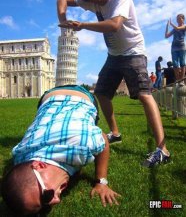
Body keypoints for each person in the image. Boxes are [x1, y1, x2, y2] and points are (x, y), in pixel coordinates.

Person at [57, 0, 170, 167]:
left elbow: (115, 25)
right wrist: (62, 19)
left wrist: (83, 25)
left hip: (133, 52)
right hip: (114, 55)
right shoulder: (91, 0)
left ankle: (163, 150)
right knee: (101, 93)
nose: (93, 2)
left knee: (144, 95)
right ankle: (115, 133)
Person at [1, 85, 120, 216]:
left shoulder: (81, 146)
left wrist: (101, 181)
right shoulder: (20, 157)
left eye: (47, 196)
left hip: (82, 97)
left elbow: (103, 139)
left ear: (40, 165)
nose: (56, 200)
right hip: (46, 100)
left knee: (89, 124)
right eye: (45, 205)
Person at [165, 15, 186, 86]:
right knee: (175, 64)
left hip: (182, 47)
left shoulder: (185, 26)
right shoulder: (174, 29)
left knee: (182, 63)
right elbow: (166, 36)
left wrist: (171, 24)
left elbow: (178, 28)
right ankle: (178, 80)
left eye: (179, 19)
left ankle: (182, 80)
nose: (178, 20)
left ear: (183, 19)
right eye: (177, 19)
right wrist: (167, 26)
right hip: (174, 47)